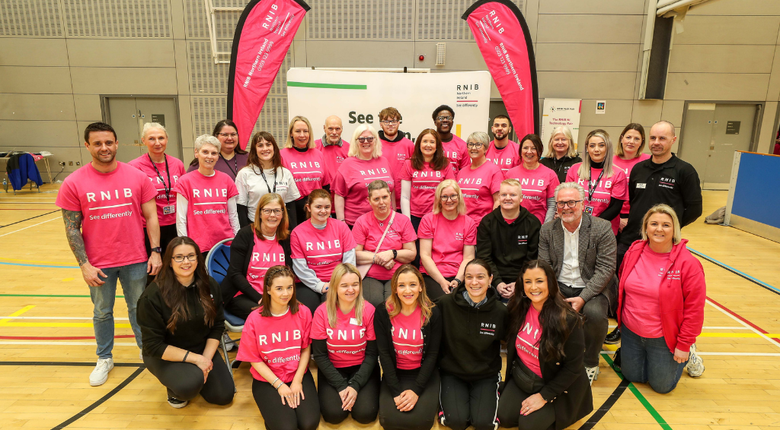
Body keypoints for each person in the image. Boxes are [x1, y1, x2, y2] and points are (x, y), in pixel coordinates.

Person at [56, 122, 162, 386]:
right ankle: (104, 357)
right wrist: (84, 265)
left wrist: (155, 252)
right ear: (87, 146)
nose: (104, 148)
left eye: (108, 142)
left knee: (138, 308)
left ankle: (146, 351)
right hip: (99, 263)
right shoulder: (73, 182)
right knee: (102, 311)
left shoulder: (137, 177)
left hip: (135, 258)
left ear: (117, 144)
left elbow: (152, 217)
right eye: (97, 143)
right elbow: (71, 228)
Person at [617, 204, 706, 392]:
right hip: (632, 331)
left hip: (664, 336)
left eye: (666, 225)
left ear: (675, 230)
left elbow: (695, 309)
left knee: (661, 386)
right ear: (645, 228)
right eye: (654, 224)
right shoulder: (633, 250)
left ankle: (689, 352)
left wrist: (684, 344)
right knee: (634, 377)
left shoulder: (688, 263)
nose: (659, 229)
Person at [137, 237, 235, 408]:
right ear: (169, 261)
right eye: (179, 257)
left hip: (200, 348)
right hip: (165, 354)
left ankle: (195, 376)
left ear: (198, 258)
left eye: (191, 256)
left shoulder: (209, 285)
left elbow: (217, 325)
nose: (186, 262)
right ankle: (176, 389)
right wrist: (196, 360)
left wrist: (205, 360)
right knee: (188, 386)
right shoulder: (152, 296)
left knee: (223, 396)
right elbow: (153, 346)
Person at [496, 260, 593, 429]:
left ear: (550, 282)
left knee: (528, 426)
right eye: (528, 281)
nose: (533, 287)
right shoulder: (517, 308)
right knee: (504, 417)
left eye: (539, 281)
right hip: (524, 377)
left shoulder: (569, 319)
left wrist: (544, 396)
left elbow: (573, 368)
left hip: (553, 383)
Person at [538, 182, 617, 385]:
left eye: (571, 202)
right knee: (545, 310)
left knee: (594, 314)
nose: (566, 207)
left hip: (592, 285)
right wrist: (555, 295)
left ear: (583, 204)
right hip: (559, 285)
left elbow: (606, 269)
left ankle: (590, 362)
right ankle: (556, 359)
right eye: (561, 203)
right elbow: (545, 266)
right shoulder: (547, 230)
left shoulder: (601, 228)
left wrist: (583, 298)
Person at [236, 266, 320, 430]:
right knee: (287, 427)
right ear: (268, 290)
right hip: (268, 379)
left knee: (309, 424)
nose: (285, 293)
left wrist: (297, 381)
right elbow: (254, 359)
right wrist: (279, 385)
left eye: (289, 287)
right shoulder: (254, 319)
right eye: (279, 288)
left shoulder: (303, 312)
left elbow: (305, 349)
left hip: (297, 374)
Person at [618, 121, 702, 266]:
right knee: (620, 275)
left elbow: (695, 210)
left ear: (673, 140)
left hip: (663, 242)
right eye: (653, 138)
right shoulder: (638, 169)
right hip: (631, 238)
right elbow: (634, 201)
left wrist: (668, 227)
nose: (656, 142)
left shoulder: (685, 171)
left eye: (662, 138)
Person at [437, 259, 507, 430]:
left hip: (485, 374)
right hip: (453, 373)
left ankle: (493, 392)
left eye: (480, 277)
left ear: (490, 279)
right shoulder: (445, 304)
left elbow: (510, 343)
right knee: (457, 421)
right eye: (469, 277)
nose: (474, 282)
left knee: (484, 424)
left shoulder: (500, 311)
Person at [375, 264, 442, 430]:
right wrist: (395, 390)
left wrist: (416, 390)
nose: (407, 290)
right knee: (388, 421)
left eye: (412, 284)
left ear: (420, 287)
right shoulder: (383, 311)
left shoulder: (433, 312)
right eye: (401, 285)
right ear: (395, 289)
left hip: (423, 373)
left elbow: (433, 354)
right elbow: (384, 353)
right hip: (395, 373)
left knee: (422, 423)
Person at [311, 263, 380, 424]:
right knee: (333, 415)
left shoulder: (369, 310)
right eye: (344, 285)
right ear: (335, 287)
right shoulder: (321, 312)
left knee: (365, 415)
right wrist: (341, 386)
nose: (351, 289)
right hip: (333, 368)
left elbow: (372, 354)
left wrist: (355, 386)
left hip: (362, 367)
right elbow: (320, 356)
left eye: (355, 284)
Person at [128, 122, 186, 280]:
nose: (157, 142)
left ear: (167, 139)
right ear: (143, 141)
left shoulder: (177, 164)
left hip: (174, 225)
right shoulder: (135, 167)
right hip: (149, 227)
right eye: (151, 138)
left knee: (175, 270)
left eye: (161, 138)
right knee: (152, 271)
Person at [221, 193, 292, 320]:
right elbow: (235, 273)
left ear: (282, 214)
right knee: (268, 316)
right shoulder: (245, 235)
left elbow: (289, 271)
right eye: (267, 211)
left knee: (297, 311)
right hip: (243, 294)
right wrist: (260, 298)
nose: (272, 215)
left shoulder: (285, 238)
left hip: (276, 294)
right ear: (259, 213)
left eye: (277, 211)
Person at [290, 189, 357, 314]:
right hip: (308, 283)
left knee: (333, 308)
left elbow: (349, 260)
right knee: (307, 309)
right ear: (308, 208)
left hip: (338, 281)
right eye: (318, 207)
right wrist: (319, 286)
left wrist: (339, 282)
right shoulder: (297, 233)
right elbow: (300, 267)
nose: (323, 211)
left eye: (327, 207)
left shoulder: (341, 227)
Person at [353, 180, 417, 307]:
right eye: (376, 199)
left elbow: (411, 254)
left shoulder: (403, 220)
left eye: (385, 197)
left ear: (390, 196)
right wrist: (379, 258)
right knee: (373, 303)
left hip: (398, 274)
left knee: (393, 304)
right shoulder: (361, 222)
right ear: (369, 200)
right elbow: (354, 254)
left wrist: (392, 253)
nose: (381, 202)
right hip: (370, 275)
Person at [174, 135, 240, 256]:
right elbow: (181, 219)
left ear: (218, 156)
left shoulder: (226, 180)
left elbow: (233, 215)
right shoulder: (185, 182)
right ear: (196, 153)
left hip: (225, 243)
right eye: (205, 152)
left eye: (214, 153)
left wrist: (237, 239)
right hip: (197, 245)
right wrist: (184, 245)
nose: (209, 156)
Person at [476, 179, 541, 298]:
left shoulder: (532, 223)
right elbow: (484, 257)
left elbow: (532, 259)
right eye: (504, 195)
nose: (507, 198)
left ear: (521, 198)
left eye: (513, 195)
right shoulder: (487, 222)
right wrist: (497, 283)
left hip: (524, 278)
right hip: (493, 278)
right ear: (499, 197)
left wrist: (519, 283)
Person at [418, 180, 477, 300]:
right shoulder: (428, 220)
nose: (449, 200)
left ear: (459, 197)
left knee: (465, 300)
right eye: (444, 196)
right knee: (444, 301)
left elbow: (468, 257)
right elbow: (425, 256)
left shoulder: (469, 222)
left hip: (460, 274)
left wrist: (458, 280)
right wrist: (441, 281)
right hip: (433, 275)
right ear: (439, 199)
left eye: (453, 196)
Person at [566, 129, 627, 235]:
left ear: (607, 148)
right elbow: (568, 199)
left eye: (601, 145)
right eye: (592, 146)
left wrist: (592, 225)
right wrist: (579, 223)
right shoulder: (574, 170)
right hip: (575, 227)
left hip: (604, 230)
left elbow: (615, 207)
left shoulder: (618, 174)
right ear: (587, 148)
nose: (596, 149)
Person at [333, 124, 394, 226]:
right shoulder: (347, 164)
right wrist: (341, 222)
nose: (366, 142)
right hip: (356, 223)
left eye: (370, 139)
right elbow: (339, 194)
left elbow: (392, 191)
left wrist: (394, 214)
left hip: (385, 222)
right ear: (356, 142)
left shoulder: (384, 161)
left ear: (375, 141)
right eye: (361, 139)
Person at [236, 131, 300, 227]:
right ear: (254, 150)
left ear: (274, 148)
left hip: (280, 226)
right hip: (255, 226)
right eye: (260, 145)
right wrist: (246, 232)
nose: (265, 148)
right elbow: (241, 207)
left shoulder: (285, 173)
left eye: (268, 144)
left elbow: (290, 205)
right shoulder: (244, 174)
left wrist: (292, 230)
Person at [400, 128, 456, 230]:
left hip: (438, 215)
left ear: (437, 146)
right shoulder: (409, 164)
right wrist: (407, 221)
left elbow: (451, 193)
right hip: (414, 217)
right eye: (425, 141)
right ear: (419, 144)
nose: (428, 145)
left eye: (432, 142)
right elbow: (405, 196)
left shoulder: (445, 164)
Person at [281, 116, 330, 228]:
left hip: (317, 209)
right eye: (298, 131)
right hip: (293, 210)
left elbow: (326, 185)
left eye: (305, 131)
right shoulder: (282, 155)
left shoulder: (318, 154)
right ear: (291, 133)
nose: (302, 135)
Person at [504, 134, 559, 224]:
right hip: (513, 225)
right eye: (525, 148)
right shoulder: (510, 174)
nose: (529, 152)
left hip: (538, 225)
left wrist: (545, 227)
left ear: (540, 150)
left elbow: (552, 206)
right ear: (520, 150)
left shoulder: (550, 174)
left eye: (533, 148)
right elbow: (504, 201)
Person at [612, 123, 650, 234]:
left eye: (636, 139)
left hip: (640, 216)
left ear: (642, 142)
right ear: (622, 139)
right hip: (614, 214)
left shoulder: (648, 161)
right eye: (628, 137)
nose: (631, 141)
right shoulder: (610, 161)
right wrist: (618, 219)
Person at [457, 131, 503, 222]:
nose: (473, 148)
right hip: (462, 223)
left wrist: (492, 223)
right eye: (470, 144)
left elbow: (498, 200)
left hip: (483, 224)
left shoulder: (493, 170)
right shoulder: (461, 172)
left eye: (478, 145)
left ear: (486, 149)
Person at [378, 107, 415, 210]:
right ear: (380, 124)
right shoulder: (374, 144)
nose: (390, 124)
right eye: (386, 121)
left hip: (405, 200)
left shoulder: (409, 145)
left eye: (394, 121)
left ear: (399, 123)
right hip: (381, 201)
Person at [433, 105, 470, 172]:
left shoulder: (462, 146)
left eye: (448, 118)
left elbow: (465, 173)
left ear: (452, 122)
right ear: (435, 122)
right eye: (441, 118)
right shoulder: (427, 144)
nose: (445, 120)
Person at [315, 115, 350, 184]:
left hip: (341, 189)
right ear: (324, 128)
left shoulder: (349, 148)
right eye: (330, 129)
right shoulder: (314, 147)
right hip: (321, 189)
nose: (334, 132)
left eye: (337, 129)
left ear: (342, 129)